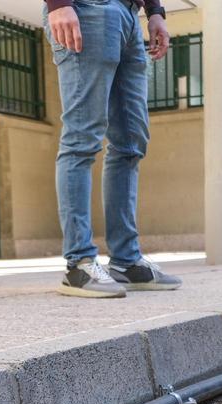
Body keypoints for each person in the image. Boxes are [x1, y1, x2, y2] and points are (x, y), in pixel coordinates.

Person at [45, 0, 183, 298]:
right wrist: (58, 3)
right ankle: (79, 264)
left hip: (130, 16)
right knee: (82, 139)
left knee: (131, 143)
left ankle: (126, 261)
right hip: (88, 8)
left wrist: (155, 11)